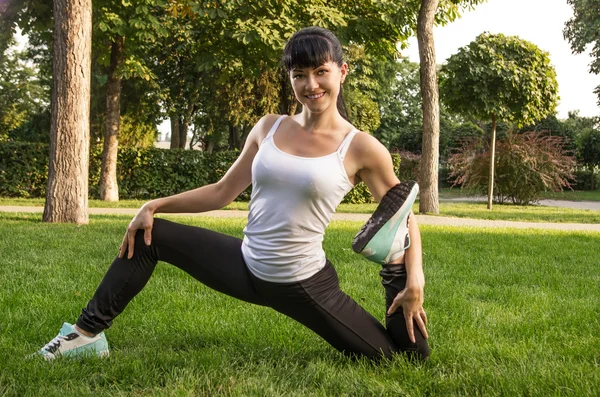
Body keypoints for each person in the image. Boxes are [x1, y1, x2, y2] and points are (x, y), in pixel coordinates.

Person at [34, 26, 429, 361]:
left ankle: (392, 269)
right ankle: (85, 336)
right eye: (299, 74)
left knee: (401, 357)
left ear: (342, 72)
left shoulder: (360, 147)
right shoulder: (269, 128)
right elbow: (223, 191)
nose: (311, 85)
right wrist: (153, 205)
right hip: (246, 265)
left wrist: (414, 279)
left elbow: (402, 212)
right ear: (290, 78)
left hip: (303, 282)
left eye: (321, 72)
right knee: (150, 235)